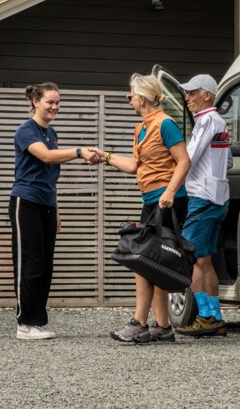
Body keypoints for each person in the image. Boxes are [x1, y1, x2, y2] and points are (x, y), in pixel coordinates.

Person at [87, 73, 190, 344]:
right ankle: (163, 327)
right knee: (153, 261)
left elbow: (183, 161)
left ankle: (139, 323)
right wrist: (105, 157)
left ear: (141, 98)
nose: (128, 99)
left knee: (145, 261)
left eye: (129, 95)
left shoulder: (165, 124)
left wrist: (168, 191)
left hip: (168, 200)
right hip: (151, 200)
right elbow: (134, 166)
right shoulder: (141, 128)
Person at [9, 82, 91, 340]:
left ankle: (38, 321)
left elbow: (50, 175)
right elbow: (45, 157)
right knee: (29, 264)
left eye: (57, 102)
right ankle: (24, 323)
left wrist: (55, 208)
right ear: (36, 102)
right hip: (26, 203)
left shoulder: (51, 132)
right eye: (50, 102)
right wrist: (79, 151)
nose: (55, 107)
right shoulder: (26, 131)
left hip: (46, 204)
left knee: (45, 265)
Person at [173, 74, 231, 338]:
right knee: (205, 260)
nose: (187, 98)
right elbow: (227, 162)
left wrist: (170, 185)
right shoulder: (220, 121)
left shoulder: (206, 120)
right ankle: (214, 316)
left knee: (190, 258)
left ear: (207, 95)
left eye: (192, 93)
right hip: (218, 198)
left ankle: (206, 317)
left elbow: (188, 158)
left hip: (202, 198)